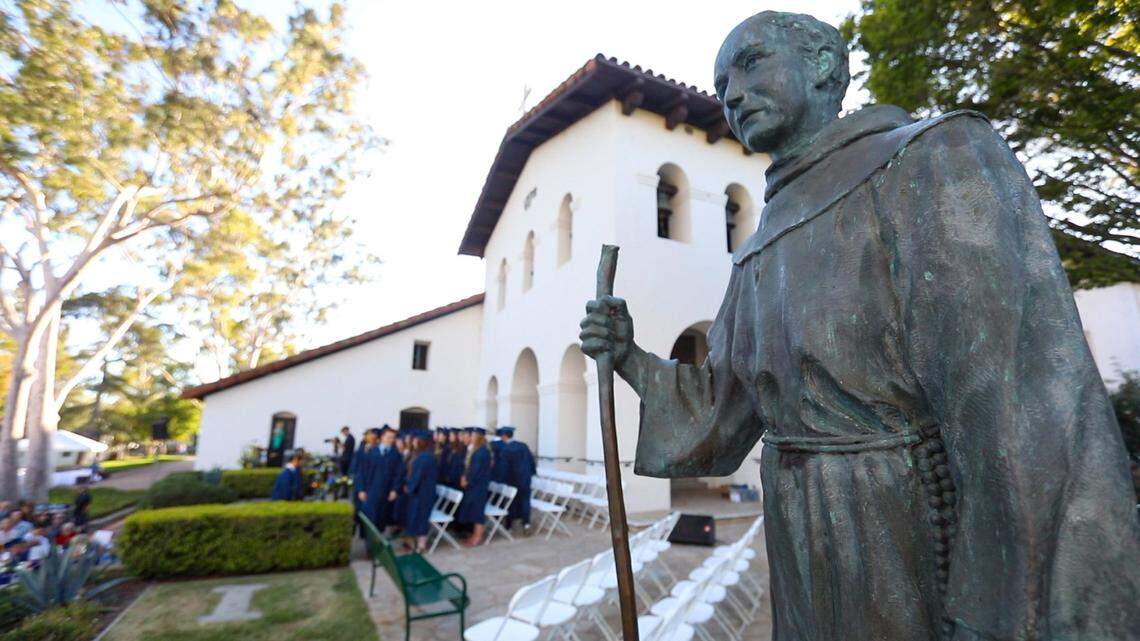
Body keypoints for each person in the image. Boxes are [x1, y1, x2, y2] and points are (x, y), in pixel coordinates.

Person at [578, 11, 1140, 641]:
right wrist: (627, 355)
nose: (731, 93)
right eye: (721, 82)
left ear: (822, 64)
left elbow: (1020, 407)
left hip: (911, 531)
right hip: (800, 542)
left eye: (751, 61)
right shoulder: (759, 245)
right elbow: (724, 407)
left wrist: (1005, 610)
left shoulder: (933, 158)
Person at [403, 429, 438, 553]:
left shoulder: (425, 457)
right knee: (416, 516)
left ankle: (422, 545)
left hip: (424, 492)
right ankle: (415, 541)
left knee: (422, 517)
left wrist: (409, 487)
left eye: (415, 440)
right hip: (421, 491)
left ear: (421, 442)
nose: (413, 442)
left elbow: (418, 476)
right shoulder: (422, 454)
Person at [456, 427, 492, 546]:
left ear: (478, 437)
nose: (470, 437)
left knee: (478, 511)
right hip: (474, 485)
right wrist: (464, 477)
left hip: (479, 486)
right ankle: (475, 534)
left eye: (472, 435)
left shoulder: (482, 451)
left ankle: (478, 537)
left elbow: (476, 470)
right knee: (474, 510)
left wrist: (467, 480)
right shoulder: (477, 450)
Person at [499, 427, 535, 530]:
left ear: (505, 436)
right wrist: (531, 473)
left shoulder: (506, 448)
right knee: (525, 500)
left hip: (512, 479)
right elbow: (531, 460)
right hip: (525, 478)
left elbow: (504, 466)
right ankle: (526, 523)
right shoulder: (523, 445)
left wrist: (502, 478)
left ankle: (509, 524)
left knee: (511, 501)